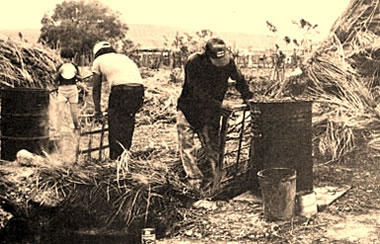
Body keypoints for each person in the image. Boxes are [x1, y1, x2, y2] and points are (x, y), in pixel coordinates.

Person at [177, 37, 254, 196]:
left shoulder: (228, 62)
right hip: (189, 109)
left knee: (213, 148)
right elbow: (196, 92)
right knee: (187, 147)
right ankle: (195, 182)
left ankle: (217, 181)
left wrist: (248, 97)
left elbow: (239, 80)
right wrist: (219, 106)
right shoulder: (194, 63)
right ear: (207, 55)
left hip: (210, 112)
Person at [91, 41, 144, 160]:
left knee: (114, 124)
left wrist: (97, 111)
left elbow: (96, 89)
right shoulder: (123, 57)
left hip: (121, 90)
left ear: (96, 53)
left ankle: (115, 158)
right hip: (138, 90)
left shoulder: (98, 61)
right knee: (127, 121)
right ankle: (125, 154)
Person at [55, 47, 82, 135]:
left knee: (73, 112)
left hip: (72, 90)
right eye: (64, 58)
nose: (66, 60)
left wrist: (76, 76)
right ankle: (58, 130)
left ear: (71, 58)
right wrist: (59, 73)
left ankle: (77, 128)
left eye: (68, 58)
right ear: (62, 58)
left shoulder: (74, 67)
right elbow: (55, 80)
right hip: (62, 90)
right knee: (60, 110)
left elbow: (80, 79)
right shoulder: (60, 67)